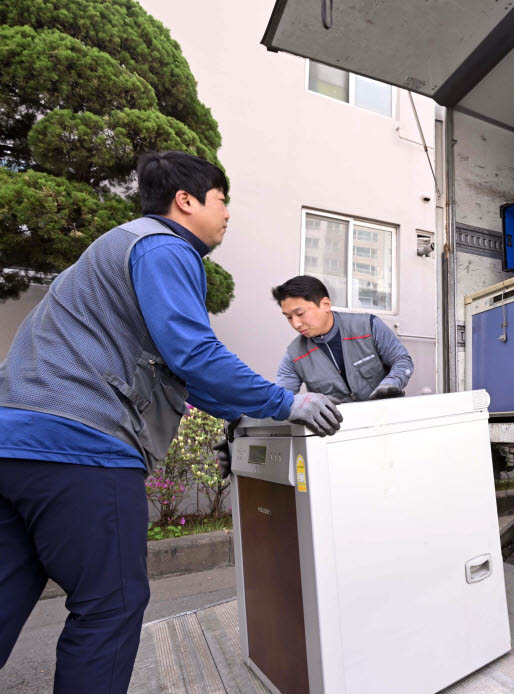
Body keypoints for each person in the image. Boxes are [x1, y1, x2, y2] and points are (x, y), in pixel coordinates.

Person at [0, 151, 342, 693]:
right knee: (111, 605)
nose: (227, 213)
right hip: (84, 447)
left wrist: (248, 415)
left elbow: (187, 376)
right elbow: (195, 354)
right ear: (186, 201)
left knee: (7, 590)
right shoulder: (164, 246)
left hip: (13, 445)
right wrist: (288, 405)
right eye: (221, 200)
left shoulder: (117, 248)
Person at [272, 275, 414, 401]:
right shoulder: (294, 355)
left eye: (300, 313)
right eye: (289, 317)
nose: (296, 324)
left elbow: (401, 360)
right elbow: (281, 398)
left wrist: (390, 384)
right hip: (339, 427)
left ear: (325, 304)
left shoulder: (368, 326)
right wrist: (305, 402)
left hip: (385, 416)